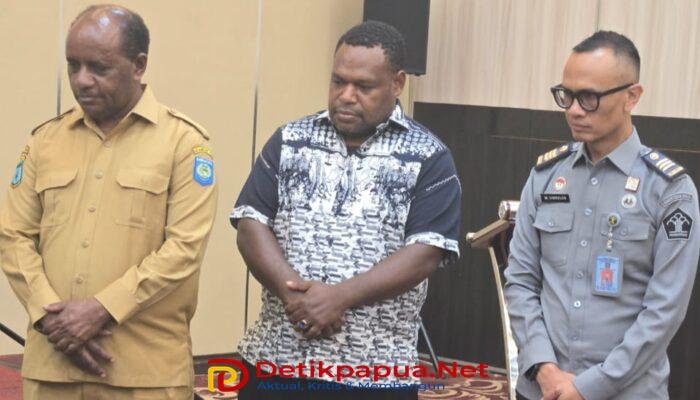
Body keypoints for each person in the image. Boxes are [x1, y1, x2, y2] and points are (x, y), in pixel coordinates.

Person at [230, 21, 461, 400]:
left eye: (363, 86)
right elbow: (250, 223)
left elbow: (425, 252)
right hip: (276, 360)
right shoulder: (290, 140)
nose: (346, 96)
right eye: (338, 81)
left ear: (397, 83)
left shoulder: (429, 156)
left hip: (375, 372)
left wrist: (339, 297)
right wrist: (295, 298)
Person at [0, 5, 217, 400]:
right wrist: (50, 317)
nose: (82, 80)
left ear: (139, 65)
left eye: (99, 68)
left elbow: (184, 249)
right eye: (73, 66)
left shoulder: (184, 144)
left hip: (145, 375)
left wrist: (102, 308)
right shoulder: (44, 142)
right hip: (52, 368)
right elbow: (13, 236)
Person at [504, 31, 700, 400]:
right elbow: (520, 281)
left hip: (626, 391)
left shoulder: (669, 190)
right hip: (542, 389)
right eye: (566, 95)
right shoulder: (546, 175)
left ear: (632, 96)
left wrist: (588, 387)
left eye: (589, 97)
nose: (574, 110)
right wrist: (544, 369)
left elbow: (665, 310)